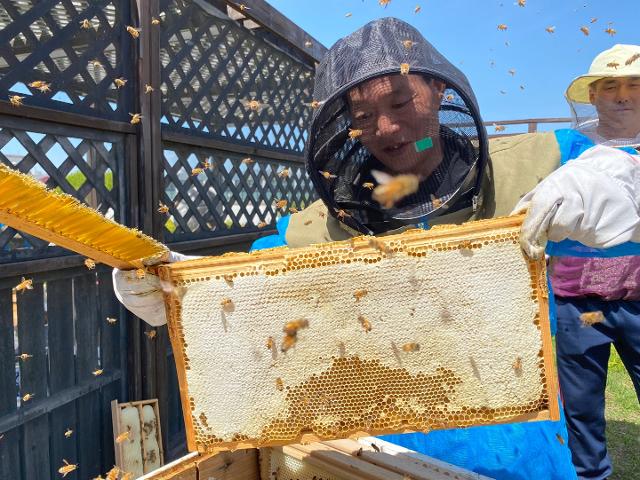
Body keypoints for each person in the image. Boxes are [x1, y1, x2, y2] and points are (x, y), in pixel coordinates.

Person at [114, 18, 640, 479]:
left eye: (400, 101)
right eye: (362, 115)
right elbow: (248, 287)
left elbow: (619, 186)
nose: (386, 128)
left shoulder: (541, 161)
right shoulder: (319, 223)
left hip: (518, 454)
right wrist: (186, 293)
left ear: (437, 91)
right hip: (376, 454)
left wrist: (624, 179)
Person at [516, 44, 640, 480]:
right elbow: (485, 158)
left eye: (634, 84)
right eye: (610, 85)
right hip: (574, 304)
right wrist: (416, 142)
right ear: (593, 96)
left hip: (638, 300)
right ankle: (591, 476)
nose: (623, 95)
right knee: (581, 410)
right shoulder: (563, 147)